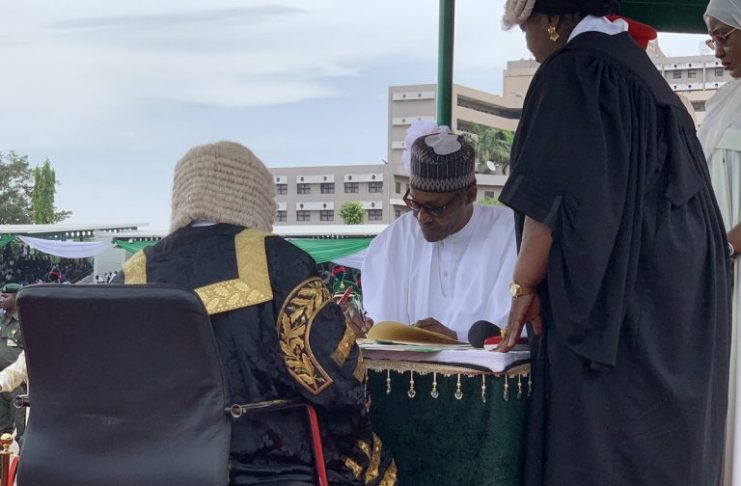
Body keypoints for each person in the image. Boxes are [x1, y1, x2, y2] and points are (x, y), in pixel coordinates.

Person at [497, 1, 732, 485]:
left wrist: (523, 288)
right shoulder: (645, 76)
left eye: (526, 29)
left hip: (619, 312)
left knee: (603, 447)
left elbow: (549, 201)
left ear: (553, 21)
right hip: (678, 305)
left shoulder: (574, 71)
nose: (529, 44)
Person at [114, 141, 396, 486]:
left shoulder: (131, 274)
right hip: (272, 466)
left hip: (156, 465)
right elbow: (335, 380)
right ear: (255, 195)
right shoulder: (280, 262)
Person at [361, 121, 517, 341]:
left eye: (435, 208)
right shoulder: (395, 238)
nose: (422, 217)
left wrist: (456, 338)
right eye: (414, 204)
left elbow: (514, 329)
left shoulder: (509, 233)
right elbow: (381, 326)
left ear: (470, 195)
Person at [697, 1, 741, 483]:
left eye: (724, 35)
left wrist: (725, 248)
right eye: (711, 38)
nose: (717, 49)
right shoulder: (724, 101)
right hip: (718, 271)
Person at [0, 283, 25, 443]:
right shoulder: (2, 321)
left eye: (5, 296)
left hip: (19, 385)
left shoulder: (25, 322)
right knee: (2, 429)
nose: (0, 299)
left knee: (23, 431)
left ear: (16, 298)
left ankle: (23, 459)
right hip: (1, 382)